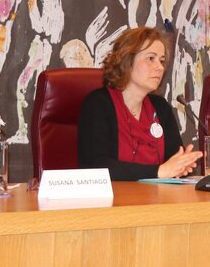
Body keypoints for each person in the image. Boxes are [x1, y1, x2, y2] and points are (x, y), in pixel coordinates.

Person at [77, 27, 202, 180]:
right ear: (127, 60)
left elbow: (173, 160)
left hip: (158, 195)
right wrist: (158, 172)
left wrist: (181, 166)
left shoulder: (160, 107)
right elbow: (98, 166)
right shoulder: (98, 104)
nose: (160, 67)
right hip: (114, 195)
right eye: (151, 58)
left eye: (162, 61)